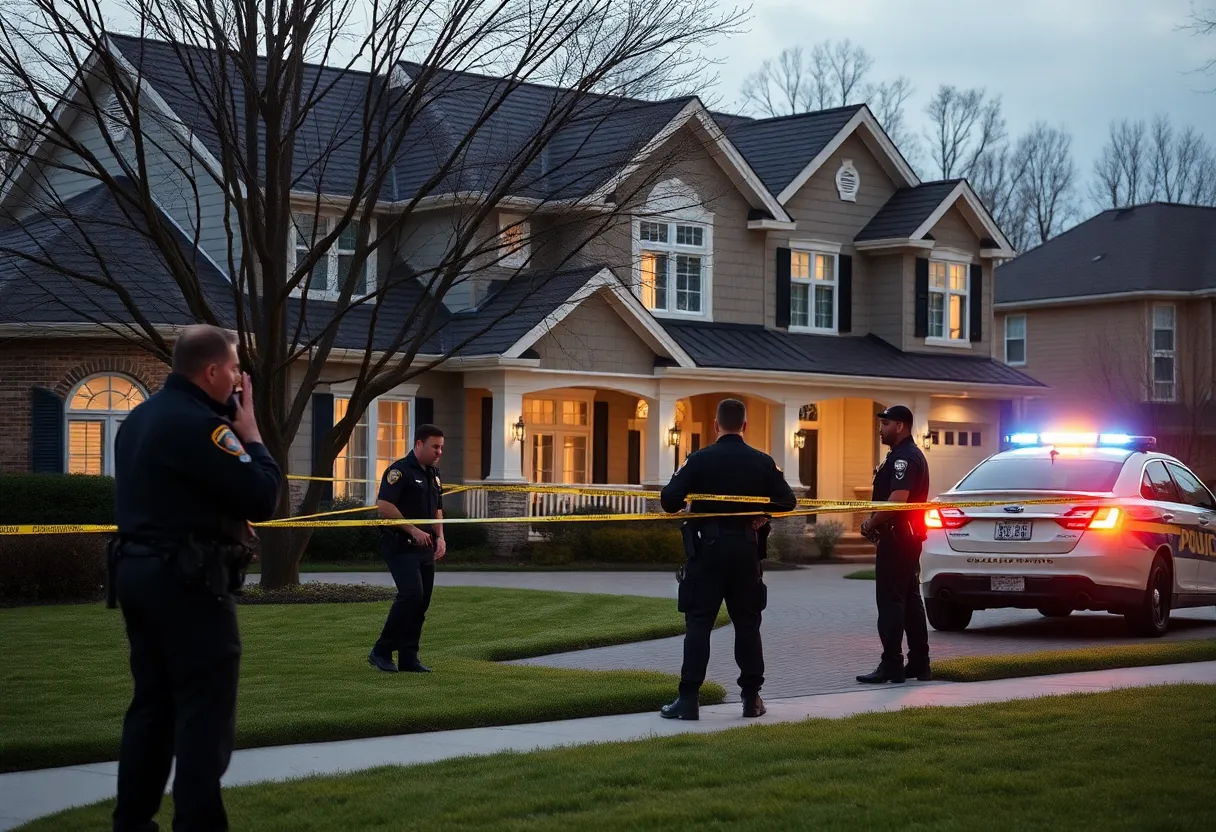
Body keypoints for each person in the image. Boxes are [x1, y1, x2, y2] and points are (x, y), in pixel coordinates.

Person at [108, 324, 282, 832]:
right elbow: (261, 498)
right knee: (204, 716)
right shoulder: (203, 426)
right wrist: (251, 436)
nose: (236, 379)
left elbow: (183, 491)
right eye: (232, 369)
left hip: (139, 575)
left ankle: (132, 822)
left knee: (152, 708)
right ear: (210, 370)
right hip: (189, 582)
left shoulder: (139, 418)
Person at [657, 398, 797, 720]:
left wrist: (693, 504)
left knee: (699, 625)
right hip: (746, 552)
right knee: (748, 625)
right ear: (744, 426)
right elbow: (787, 501)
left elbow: (668, 500)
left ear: (716, 425)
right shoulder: (762, 462)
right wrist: (762, 513)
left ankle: (689, 699)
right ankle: (751, 699)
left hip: (706, 552)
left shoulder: (700, 459)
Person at [857, 404, 932, 684]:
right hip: (907, 537)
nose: (881, 428)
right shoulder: (903, 456)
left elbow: (897, 500)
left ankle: (891, 665)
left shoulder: (904, 458)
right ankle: (919, 663)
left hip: (898, 537)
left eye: (885, 424)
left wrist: (871, 523)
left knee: (890, 601)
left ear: (900, 426)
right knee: (910, 600)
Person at [368, 424, 447, 673]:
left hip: (426, 548)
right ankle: (381, 651)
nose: (439, 452)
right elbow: (384, 506)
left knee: (421, 602)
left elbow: (437, 509)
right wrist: (413, 529)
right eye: (435, 446)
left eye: (441, 447)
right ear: (419, 444)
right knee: (410, 595)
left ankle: (408, 657)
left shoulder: (433, 474)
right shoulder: (398, 471)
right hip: (400, 545)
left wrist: (440, 537)